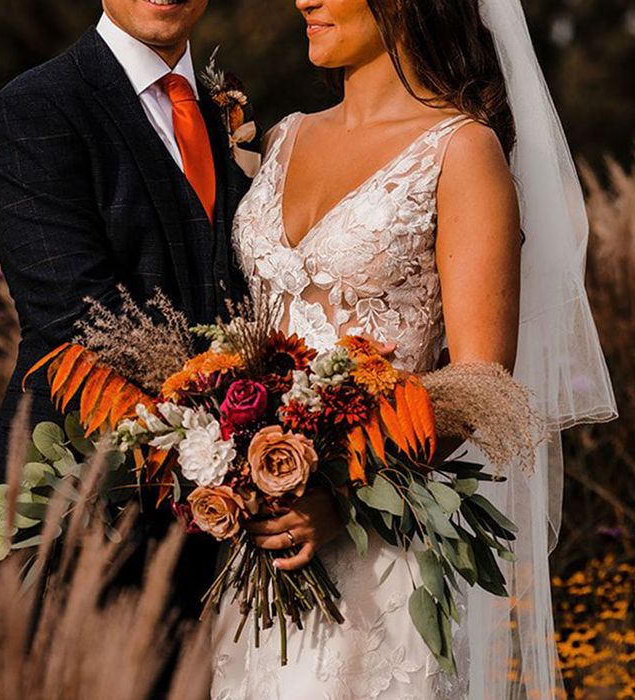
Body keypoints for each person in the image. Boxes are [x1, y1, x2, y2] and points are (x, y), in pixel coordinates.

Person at [211, 0, 617, 698]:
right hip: (263, 549)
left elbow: (482, 386)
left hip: (382, 556)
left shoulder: (461, 149)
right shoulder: (282, 137)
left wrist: (339, 494)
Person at [0, 0, 251, 616]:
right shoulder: (36, 109)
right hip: (79, 500)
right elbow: (78, 315)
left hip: (229, 517)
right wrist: (240, 413)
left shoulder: (221, 113)